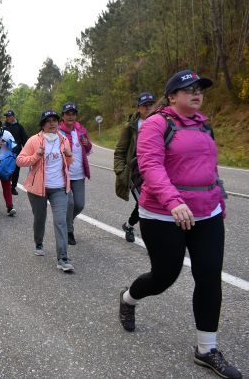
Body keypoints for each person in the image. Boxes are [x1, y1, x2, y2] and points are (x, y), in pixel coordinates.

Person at [119, 70, 242, 379]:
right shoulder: (157, 124)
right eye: (188, 89)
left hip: (206, 213)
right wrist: (174, 202)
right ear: (172, 96)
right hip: (162, 214)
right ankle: (128, 298)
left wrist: (219, 202)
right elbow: (150, 166)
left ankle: (206, 349)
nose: (196, 93)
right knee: (164, 277)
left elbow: (210, 169)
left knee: (209, 276)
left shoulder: (204, 125)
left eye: (199, 88)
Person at [17, 110, 74, 272]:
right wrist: (36, 156)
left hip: (60, 188)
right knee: (40, 218)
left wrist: (69, 156)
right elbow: (20, 161)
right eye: (48, 121)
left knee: (61, 221)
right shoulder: (34, 141)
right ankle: (39, 242)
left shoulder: (63, 140)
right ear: (43, 124)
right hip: (37, 189)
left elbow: (68, 162)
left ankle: (63, 258)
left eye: (55, 120)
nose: (52, 123)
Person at [114, 92, 155, 242]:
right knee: (144, 202)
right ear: (138, 108)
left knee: (152, 201)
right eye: (145, 105)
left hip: (155, 171)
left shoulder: (161, 122)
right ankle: (151, 239)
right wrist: (121, 171)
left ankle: (129, 225)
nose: (148, 107)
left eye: (151, 104)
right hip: (135, 172)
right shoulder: (130, 127)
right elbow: (119, 151)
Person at [59, 102, 92, 245]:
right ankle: (69, 231)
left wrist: (87, 144)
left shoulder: (81, 130)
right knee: (70, 203)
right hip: (64, 174)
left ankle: (67, 222)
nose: (70, 116)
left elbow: (89, 150)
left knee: (79, 204)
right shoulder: (58, 132)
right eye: (68, 114)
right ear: (63, 116)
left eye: (73, 114)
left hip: (79, 174)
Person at [3, 109, 28, 195]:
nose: (8, 118)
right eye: (7, 116)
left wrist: (27, 151)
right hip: (6, 153)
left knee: (16, 171)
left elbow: (25, 139)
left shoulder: (19, 127)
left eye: (9, 116)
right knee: (6, 171)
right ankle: (6, 186)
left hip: (17, 153)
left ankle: (13, 187)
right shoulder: (3, 127)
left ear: (14, 117)